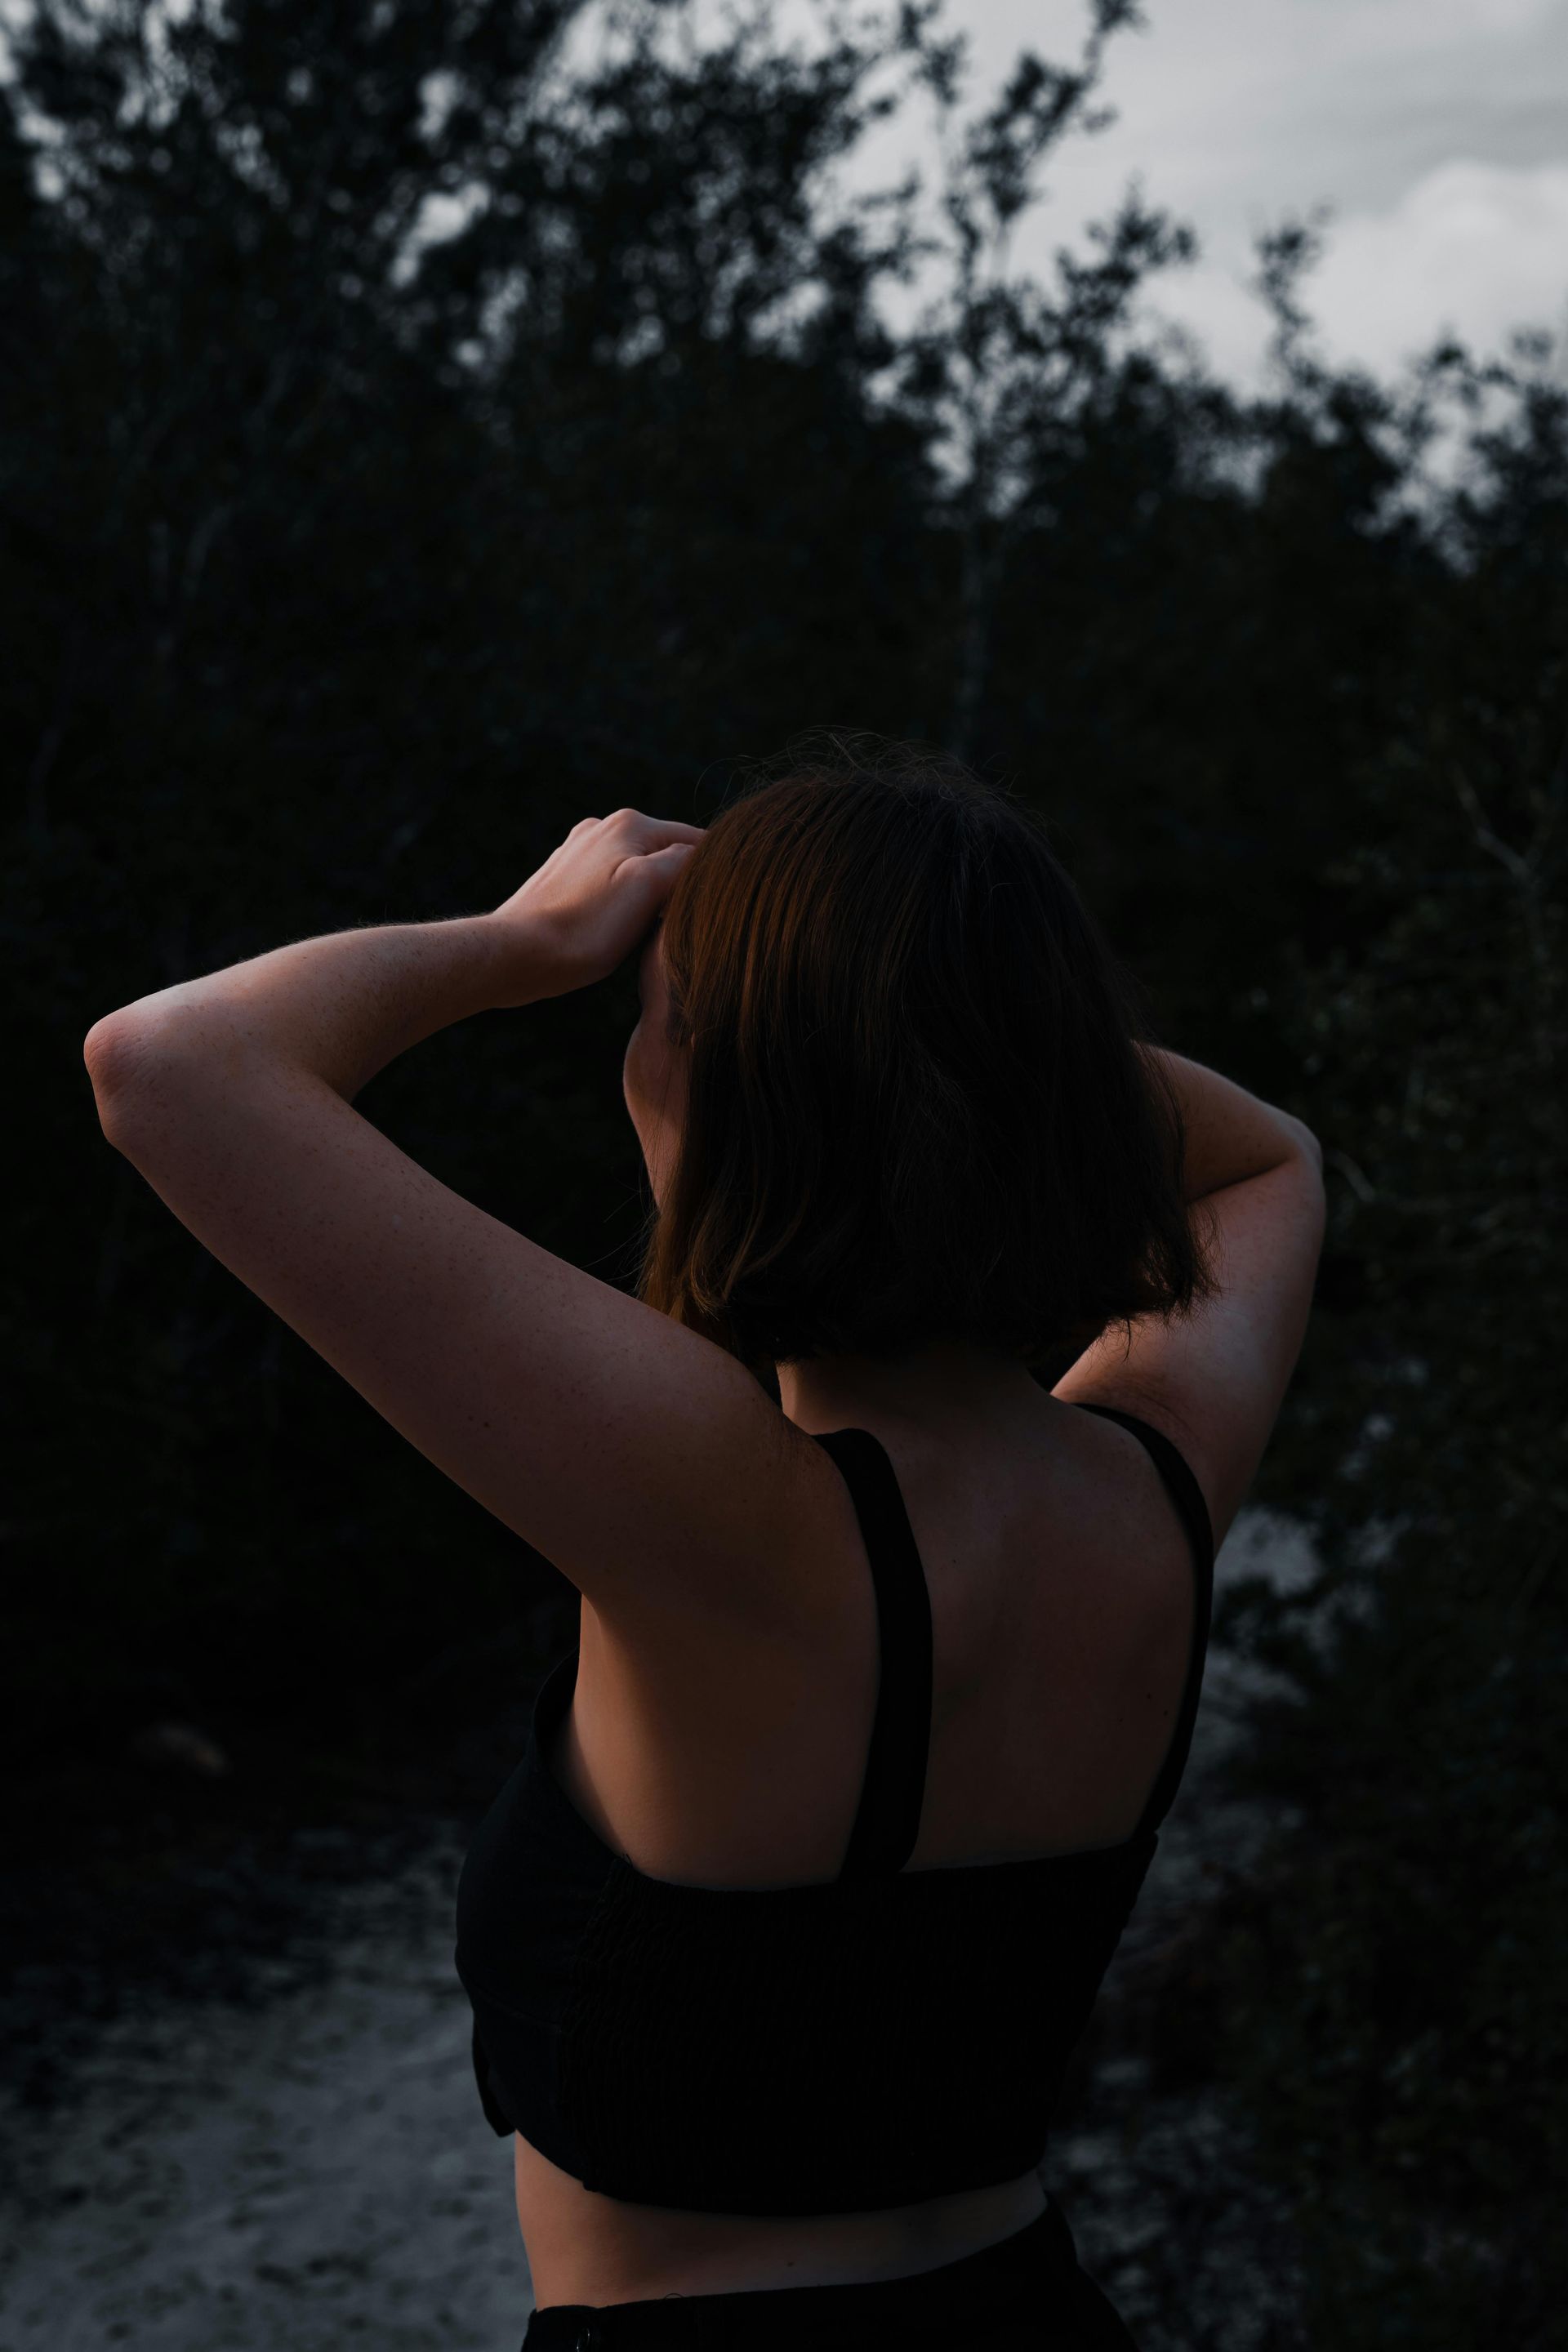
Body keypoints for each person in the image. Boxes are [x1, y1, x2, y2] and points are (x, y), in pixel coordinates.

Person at [84, 736, 1325, 2350]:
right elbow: (1268, 1163)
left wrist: (523, 944)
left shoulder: (732, 1512)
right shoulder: (1152, 1496)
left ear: (726, 1081)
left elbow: (168, 1068)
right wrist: (979, 1018)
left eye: (652, 1016)